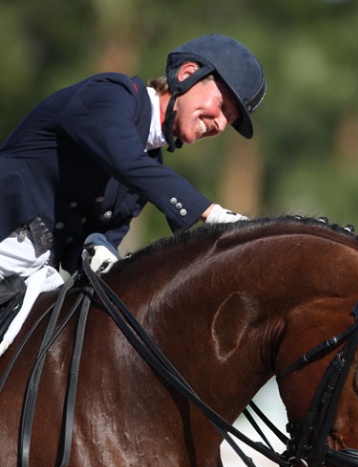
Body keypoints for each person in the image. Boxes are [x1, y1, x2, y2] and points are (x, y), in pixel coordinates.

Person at [0, 33, 266, 353]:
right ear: (187, 74)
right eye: (223, 107)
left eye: (230, 119)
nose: (221, 125)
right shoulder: (111, 94)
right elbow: (126, 161)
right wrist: (210, 212)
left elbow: (98, 242)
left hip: (30, 276)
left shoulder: (148, 163)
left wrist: (100, 254)